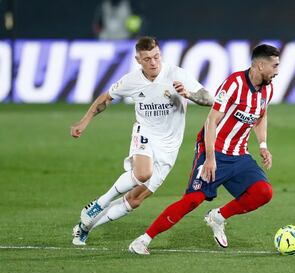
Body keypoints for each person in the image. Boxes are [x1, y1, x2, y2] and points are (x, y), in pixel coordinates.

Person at [128, 44, 280, 255]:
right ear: (261, 65)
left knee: (263, 192)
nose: (277, 71)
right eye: (274, 66)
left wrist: (263, 145)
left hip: (239, 154)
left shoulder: (267, 89)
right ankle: (143, 240)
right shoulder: (234, 84)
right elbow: (211, 122)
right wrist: (210, 158)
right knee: (192, 201)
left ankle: (218, 217)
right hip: (213, 150)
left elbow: (260, 116)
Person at [71, 36, 213, 246]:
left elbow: (208, 98)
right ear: (139, 60)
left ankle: (84, 228)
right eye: (147, 59)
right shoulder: (132, 80)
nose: (153, 62)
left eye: (156, 57)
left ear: (160, 55)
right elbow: (105, 99)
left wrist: (189, 94)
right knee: (142, 173)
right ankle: (100, 202)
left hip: (169, 147)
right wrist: (84, 122)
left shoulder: (176, 74)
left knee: (134, 201)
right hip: (145, 131)